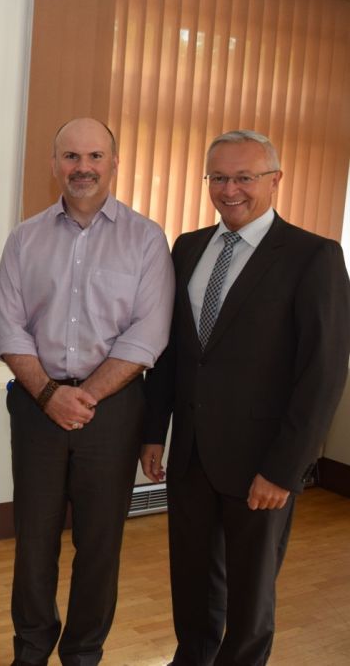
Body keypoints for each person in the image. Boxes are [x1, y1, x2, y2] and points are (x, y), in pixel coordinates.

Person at [141, 130, 350, 665]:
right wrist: (152, 435)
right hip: (189, 456)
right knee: (191, 581)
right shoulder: (186, 247)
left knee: (250, 597)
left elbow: (321, 375)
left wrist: (285, 469)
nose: (229, 189)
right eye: (219, 177)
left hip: (262, 463)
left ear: (275, 180)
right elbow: (173, 353)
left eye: (244, 177)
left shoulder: (314, 256)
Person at [0, 118, 175, 666]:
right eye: (71, 156)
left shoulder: (145, 238)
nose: (83, 167)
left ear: (114, 164)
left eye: (95, 156)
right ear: (54, 165)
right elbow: (9, 328)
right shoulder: (25, 237)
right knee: (34, 543)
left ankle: (83, 653)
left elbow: (148, 334)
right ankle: (30, 649)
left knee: (99, 546)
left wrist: (85, 396)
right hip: (35, 407)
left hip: (113, 412)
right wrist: (50, 395)